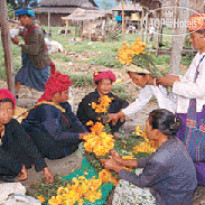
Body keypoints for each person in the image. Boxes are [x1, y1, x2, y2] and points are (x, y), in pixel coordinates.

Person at [101, 109, 197, 205]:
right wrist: (121, 161)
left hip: (172, 200)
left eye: (147, 125)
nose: (145, 128)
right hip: (181, 193)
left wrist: (116, 167)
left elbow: (141, 181)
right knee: (137, 172)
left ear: (156, 132)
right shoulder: (175, 142)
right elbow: (150, 161)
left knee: (123, 186)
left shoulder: (161, 158)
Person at [157, 13, 205, 186]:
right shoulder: (200, 55)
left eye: (193, 36)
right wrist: (175, 79)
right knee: (188, 148)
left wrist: (174, 84)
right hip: (188, 109)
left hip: (198, 112)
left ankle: (197, 184)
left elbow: (200, 90)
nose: (190, 40)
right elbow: (190, 81)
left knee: (196, 151)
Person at [22, 72, 88, 159]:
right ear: (56, 94)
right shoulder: (46, 109)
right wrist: (80, 136)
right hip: (44, 138)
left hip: (55, 132)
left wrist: (85, 133)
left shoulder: (64, 104)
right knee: (55, 150)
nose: (68, 96)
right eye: (65, 93)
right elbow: (56, 135)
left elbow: (74, 120)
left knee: (83, 131)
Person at [0, 89, 54, 183]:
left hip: (5, 153)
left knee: (24, 152)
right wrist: (18, 167)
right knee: (10, 163)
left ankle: (11, 171)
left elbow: (27, 143)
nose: (6, 114)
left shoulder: (12, 123)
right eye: (1, 110)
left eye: (9, 109)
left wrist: (44, 168)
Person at [108, 65, 176, 125]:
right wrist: (119, 114)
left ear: (147, 75)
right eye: (132, 79)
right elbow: (140, 102)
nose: (135, 82)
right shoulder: (149, 85)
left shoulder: (167, 82)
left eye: (136, 78)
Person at [11, 9, 51, 96]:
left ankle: (58, 99)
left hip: (39, 62)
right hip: (31, 61)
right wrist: (15, 32)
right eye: (20, 17)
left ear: (31, 18)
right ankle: (13, 98)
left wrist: (18, 43)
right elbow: (23, 33)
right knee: (19, 78)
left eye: (24, 17)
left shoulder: (35, 31)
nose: (21, 19)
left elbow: (33, 50)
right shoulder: (27, 29)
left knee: (46, 85)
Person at [77, 70, 128, 134]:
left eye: (108, 84)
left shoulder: (110, 95)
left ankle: (114, 131)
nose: (106, 87)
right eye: (103, 84)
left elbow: (124, 103)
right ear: (97, 85)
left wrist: (121, 112)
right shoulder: (89, 98)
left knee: (118, 106)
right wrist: (108, 116)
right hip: (88, 127)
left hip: (106, 122)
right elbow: (91, 115)